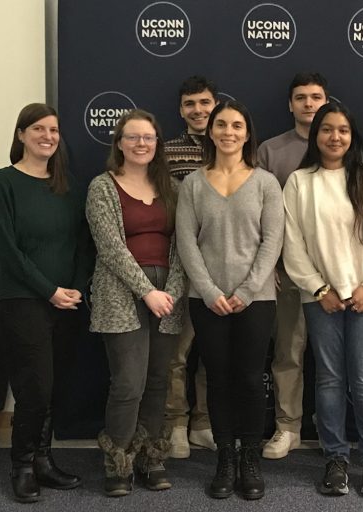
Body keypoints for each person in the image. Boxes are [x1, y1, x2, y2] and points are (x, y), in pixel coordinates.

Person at [283, 102, 363, 496]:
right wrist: (319, 290)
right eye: (327, 130)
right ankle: (335, 457)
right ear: (315, 136)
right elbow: (292, 244)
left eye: (343, 130)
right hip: (321, 299)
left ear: (353, 136)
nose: (336, 137)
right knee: (330, 380)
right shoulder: (300, 182)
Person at [0, 103, 90, 503]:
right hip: (24, 299)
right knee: (35, 386)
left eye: (55, 130)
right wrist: (49, 291)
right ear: (22, 134)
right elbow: (7, 250)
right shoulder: (3, 184)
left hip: (67, 301)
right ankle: (22, 466)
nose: (48, 136)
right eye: (39, 129)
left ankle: (44, 461)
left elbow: (82, 243)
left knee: (54, 385)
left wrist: (76, 287)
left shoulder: (68, 186)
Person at [176, 100, 284, 500]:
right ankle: (225, 457)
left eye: (237, 125)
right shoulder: (192, 184)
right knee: (217, 380)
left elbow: (272, 242)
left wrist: (244, 292)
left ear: (247, 133)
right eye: (221, 125)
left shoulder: (265, 183)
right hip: (206, 300)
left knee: (251, 379)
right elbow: (186, 242)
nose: (228, 132)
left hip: (256, 300)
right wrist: (208, 292)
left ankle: (249, 459)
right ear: (211, 131)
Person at [86, 109, 185, 497]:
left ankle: (150, 457)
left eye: (148, 137)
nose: (141, 144)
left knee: (159, 381)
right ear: (119, 143)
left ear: (158, 143)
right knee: (128, 383)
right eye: (133, 137)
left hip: (168, 292)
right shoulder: (103, 186)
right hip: (121, 292)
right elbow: (110, 246)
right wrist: (147, 290)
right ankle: (119, 460)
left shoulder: (173, 187)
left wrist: (172, 290)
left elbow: (182, 244)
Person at [257, 71, 329, 459]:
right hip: (286, 273)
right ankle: (288, 427)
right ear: (290, 104)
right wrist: (271, 267)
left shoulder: (341, 144)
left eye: (315, 97)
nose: (308, 104)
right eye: (300, 97)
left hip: (336, 276)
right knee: (287, 353)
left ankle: (333, 427)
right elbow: (260, 215)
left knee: (337, 358)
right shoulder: (270, 150)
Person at [163, 76, 220, 457]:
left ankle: (204, 421)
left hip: (224, 269)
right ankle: (176, 424)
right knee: (176, 355)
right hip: (180, 267)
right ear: (181, 110)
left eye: (204, 102)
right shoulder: (165, 153)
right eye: (189, 104)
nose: (198, 110)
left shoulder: (232, 149)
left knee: (214, 355)